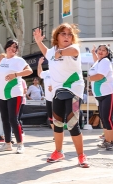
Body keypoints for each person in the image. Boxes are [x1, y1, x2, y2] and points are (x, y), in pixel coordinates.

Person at [33, 23, 90, 168]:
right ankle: (58, 152)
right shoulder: (52, 51)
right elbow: (47, 53)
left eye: (69, 34)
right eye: (63, 34)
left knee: (72, 124)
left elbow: (72, 50)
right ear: (56, 36)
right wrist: (39, 42)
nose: (66, 37)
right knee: (57, 124)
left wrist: (61, 53)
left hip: (73, 89)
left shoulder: (74, 49)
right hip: (58, 91)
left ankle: (81, 156)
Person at [0, 39, 32, 154]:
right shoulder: (2, 61)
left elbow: (29, 71)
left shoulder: (18, 60)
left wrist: (15, 74)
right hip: (1, 94)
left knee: (13, 119)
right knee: (4, 119)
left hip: (14, 92)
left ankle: (20, 144)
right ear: (6, 47)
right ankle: (7, 143)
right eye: (10, 46)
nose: (12, 48)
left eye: (15, 47)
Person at [88, 44, 113, 151]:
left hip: (109, 93)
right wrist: (93, 53)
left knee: (107, 118)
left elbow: (100, 76)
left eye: (104, 50)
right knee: (103, 118)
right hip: (101, 95)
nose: (101, 51)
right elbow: (96, 62)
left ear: (107, 53)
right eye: (99, 49)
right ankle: (107, 141)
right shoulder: (98, 62)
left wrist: (87, 78)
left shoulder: (105, 61)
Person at [38, 57, 54, 133]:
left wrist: (54, 87)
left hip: (57, 98)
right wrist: (39, 64)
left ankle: (58, 133)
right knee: (50, 117)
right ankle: (55, 132)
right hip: (48, 99)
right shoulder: (46, 73)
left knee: (57, 117)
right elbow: (39, 73)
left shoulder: (59, 72)